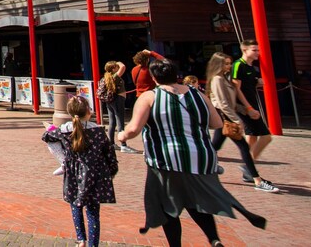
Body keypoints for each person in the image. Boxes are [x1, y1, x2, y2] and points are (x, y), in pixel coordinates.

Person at [118, 60, 265, 247]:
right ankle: (214, 238)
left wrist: (122, 135)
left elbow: (134, 129)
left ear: (154, 78)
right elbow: (217, 123)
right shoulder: (198, 95)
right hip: (201, 157)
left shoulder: (150, 96)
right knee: (197, 201)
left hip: (167, 158)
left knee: (168, 206)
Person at [42, 96, 117, 247]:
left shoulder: (64, 131)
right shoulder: (98, 131)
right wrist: (111, 170)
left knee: (75, 205)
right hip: (94, 175)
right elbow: (109, 153)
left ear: (70, 112)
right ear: (88, 111)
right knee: (93, 212)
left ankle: (81, 238)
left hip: (73, 174)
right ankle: (93, 244)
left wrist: (63, 159)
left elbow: (47, 136)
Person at [207, 52, 278, 192]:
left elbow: (231, 102)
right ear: (218, 65)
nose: (229, 66)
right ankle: (257, 180)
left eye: (229, 63)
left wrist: (246, 110)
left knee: (214, 146)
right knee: (244, 147)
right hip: (226, 118)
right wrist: (237, 120)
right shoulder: (218, 79)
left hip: (226, 118)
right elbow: (223, 104)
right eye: (226, 64)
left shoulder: (224, 78)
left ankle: (199, 166)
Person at [232, 40, 272, 165]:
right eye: (254, 50)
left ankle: (248, 165)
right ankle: (249, 164)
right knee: (266, 136)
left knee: (252, 135)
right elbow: (236, 89)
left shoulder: (252, 67)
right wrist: (248, 108)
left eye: (258, 50)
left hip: (252, 104)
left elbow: (249, 85)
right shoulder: (238, 65)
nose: (257, 53)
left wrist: (258, 83)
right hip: (244, 106)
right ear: (244, 50)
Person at [100, 60, 140, 154]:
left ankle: (111, 143)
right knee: (120, 121)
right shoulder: (115, 76)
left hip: (110, 100)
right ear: (113, 68)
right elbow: (123, 67)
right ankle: (123, 145)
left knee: (112, 121)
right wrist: (118, 62)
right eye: (116, 67)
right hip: (117, 100)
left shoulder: (106, 78)